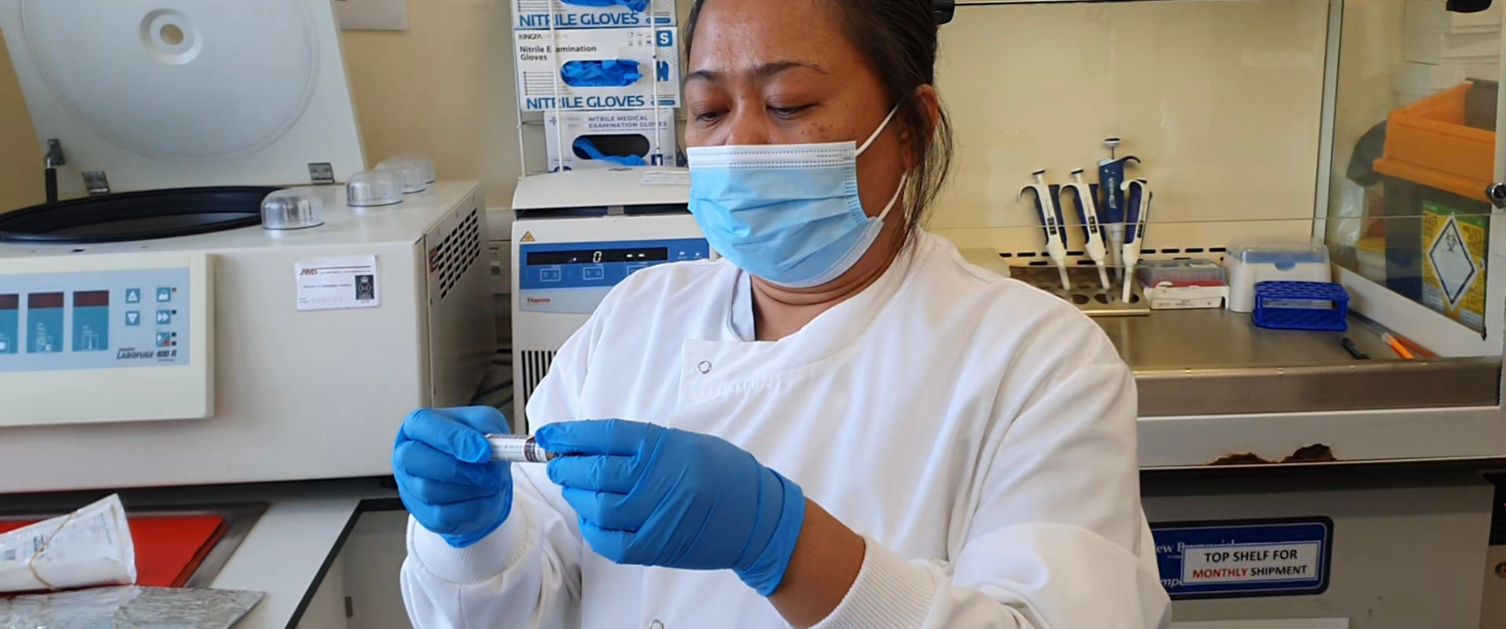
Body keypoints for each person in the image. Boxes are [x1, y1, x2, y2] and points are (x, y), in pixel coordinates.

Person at [392, 0, 1172, 626]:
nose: (742, 143)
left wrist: (785, 543)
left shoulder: (1039, 364)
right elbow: (528, 594)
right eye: (707, 110)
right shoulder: (636, 316)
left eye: (789, 103)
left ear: (910, 130)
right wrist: (473, 538)